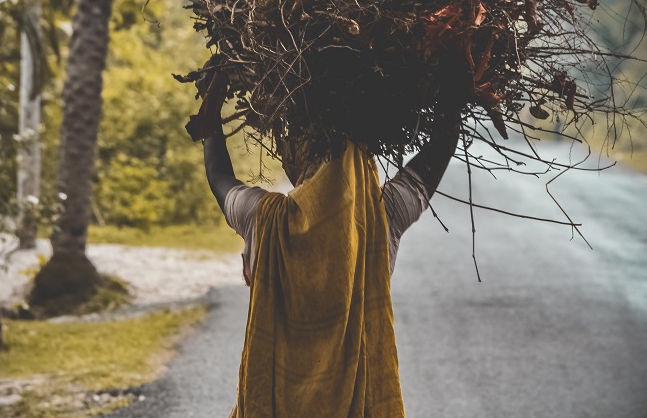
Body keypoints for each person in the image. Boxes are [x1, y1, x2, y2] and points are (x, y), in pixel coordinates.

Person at [192, 71, 460, 417]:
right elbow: (437, 151)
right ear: (364, 155)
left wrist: (211, 120)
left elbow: (220, 180)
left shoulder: (265, 219)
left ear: (296, 154)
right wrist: (457, 86)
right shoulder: (380, 218)